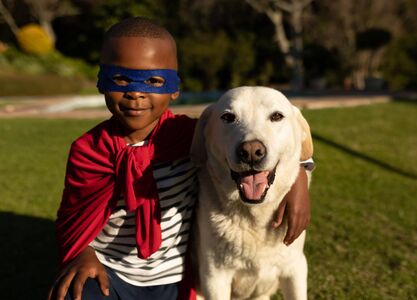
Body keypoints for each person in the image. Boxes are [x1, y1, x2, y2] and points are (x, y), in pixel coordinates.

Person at [48, 17, 313, 300]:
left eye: (153, 81)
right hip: (109, 271)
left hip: (171, 279)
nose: (136, 92)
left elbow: (284, 146)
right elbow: (72, 217)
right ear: (101, 83)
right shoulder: (88, 150)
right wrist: (84, 253)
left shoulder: (190, 135)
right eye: (121, 79)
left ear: (175, 89)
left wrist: (298, 182)